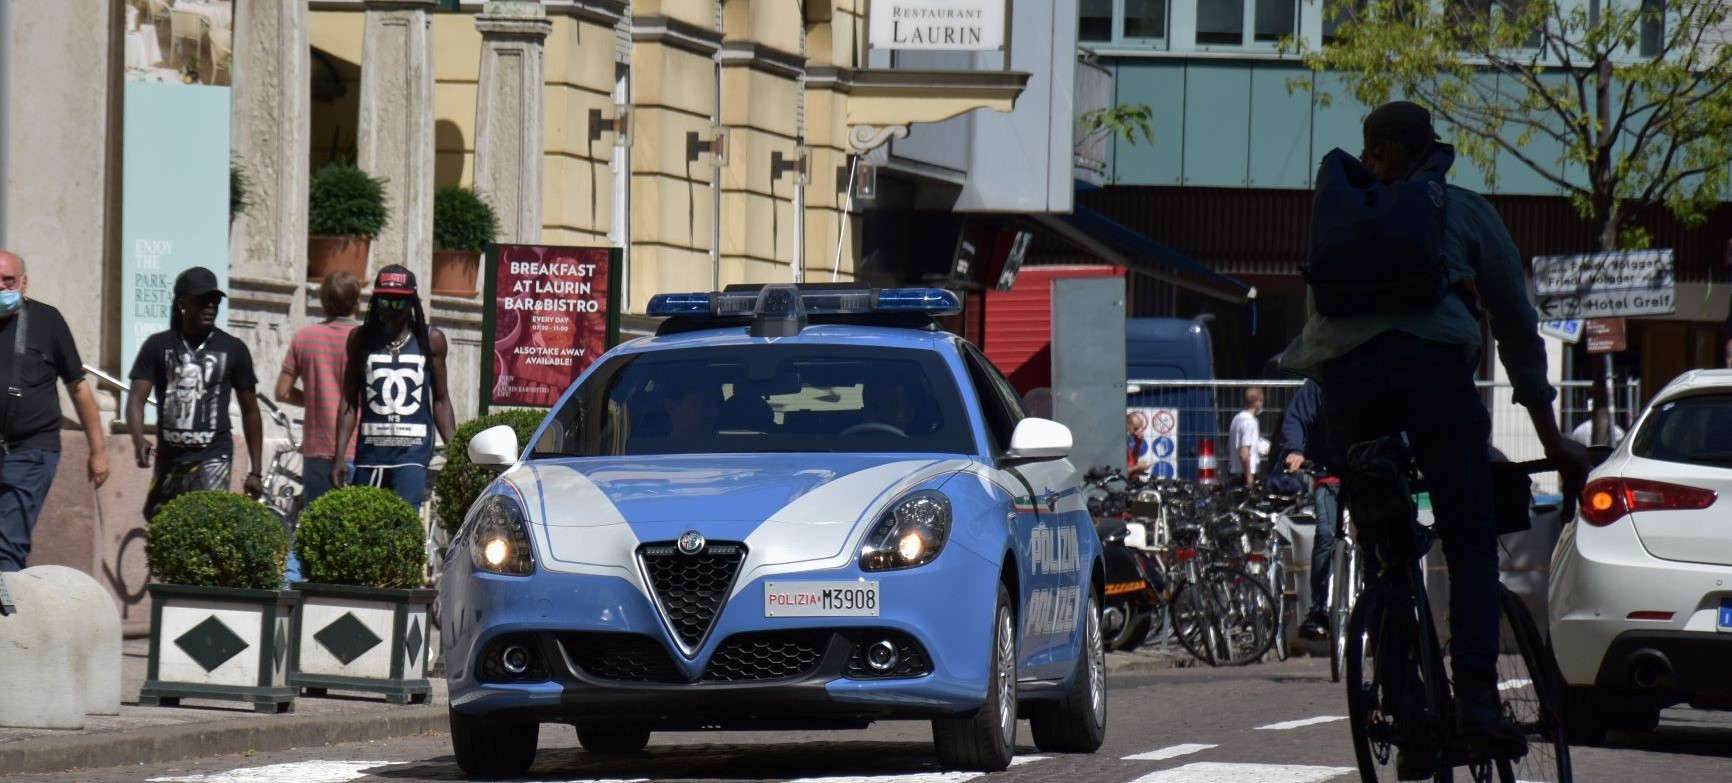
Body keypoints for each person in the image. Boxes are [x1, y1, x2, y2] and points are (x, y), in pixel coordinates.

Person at [1282, 101, 1589, 764]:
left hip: (1352, 390)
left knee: (1387, 545)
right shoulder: (1462, 210)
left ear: (1372, 157)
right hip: (1435, 381)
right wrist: (1552, 436)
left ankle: (1409, 711)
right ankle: (1476, 699)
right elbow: (1515, 325)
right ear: (1431, 153)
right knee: (1471, 536)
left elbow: (1316, 335)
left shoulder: (1337, 219)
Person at [0, 251, 109, 571]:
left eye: (8, 280)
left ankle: (6, 618)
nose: (2, 287)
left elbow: (78, 387)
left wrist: (98, 450)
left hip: (31, 448)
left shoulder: (47, 321)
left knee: (7, 540)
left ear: (23, 282)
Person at [128, 267, 264, 522]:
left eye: (215, 301)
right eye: (202, 300)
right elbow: (136, 398)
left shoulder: (233, 349)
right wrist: (138, 440)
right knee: (161, 525)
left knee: (205, 528)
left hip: (213, 459)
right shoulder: (158, 346)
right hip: (170, 460)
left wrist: (256, 471)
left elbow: (251, 411)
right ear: (182, 304)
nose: (210, 306)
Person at [331, 265, 454, 510]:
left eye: (399, 303)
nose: (390, 309)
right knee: (366, 529)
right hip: (370, 455)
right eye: (384, 301)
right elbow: (348, 400)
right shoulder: (360, 339)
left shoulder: (431, 340)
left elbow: (441, 400)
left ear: (412, 303)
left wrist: (455, 451)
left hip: (412, 455)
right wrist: (339, 456)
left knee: (403, 522)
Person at [276, 271, 362, 583]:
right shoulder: (364, 339)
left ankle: (294, 583)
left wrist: (314, 398)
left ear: (323, 302)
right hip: (358, 445)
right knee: (356, 526)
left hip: (317, 446)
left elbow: (282, 391)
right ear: (357, 301)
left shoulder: (304, 337)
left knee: (313, 521)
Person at [1278, 379, 1340, 642]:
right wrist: (1295, 449)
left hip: (1367, 468)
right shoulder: (1319, 382)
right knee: (1326, 534)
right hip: (1329, 473)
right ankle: (1318, 610)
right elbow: (1296, 417)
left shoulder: (1372, 371)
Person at [1230, 387, 1263, 488]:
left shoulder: (1236, 419)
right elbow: (1244, 453)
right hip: (1245, 475)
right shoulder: (1250, 422)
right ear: (1258, 402)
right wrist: (1249, 479)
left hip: (1234, 472)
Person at [1127, 411, 1154, 477]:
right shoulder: (1121, 444)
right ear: (1127, 426)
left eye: (1139, 428)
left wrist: (1138, 443)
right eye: (1135, 429)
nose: (1138, 432)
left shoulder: (1134, 441)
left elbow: (1132, 462)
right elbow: (1123, 472)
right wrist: (1136, 467)